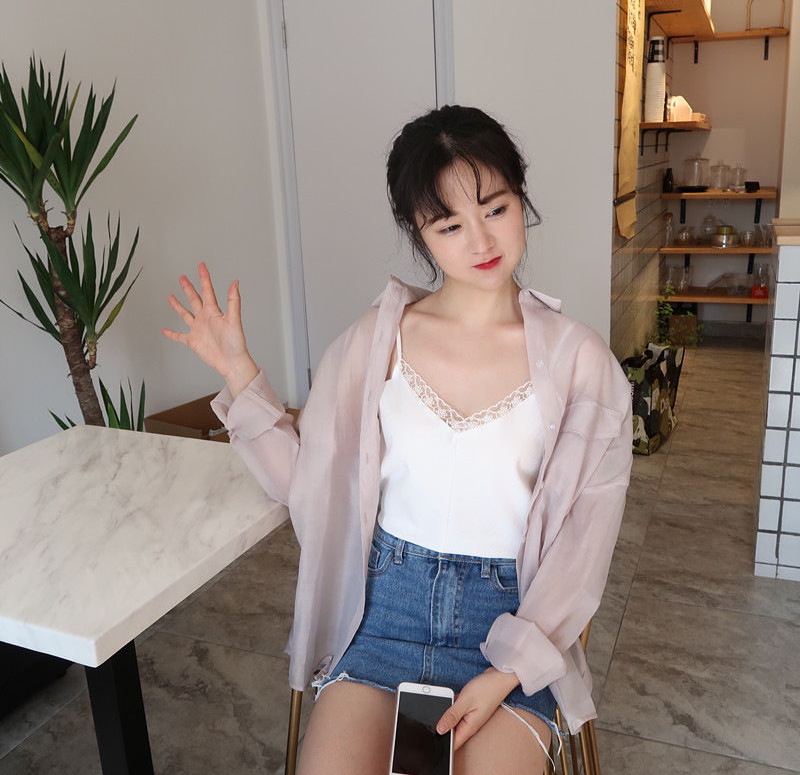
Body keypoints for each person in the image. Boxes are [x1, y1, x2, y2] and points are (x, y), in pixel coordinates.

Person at [163, 105, 633, 774]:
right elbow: (309, 487)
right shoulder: (374, 343)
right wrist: (239, 372)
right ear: (419, 231)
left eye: (495, 209)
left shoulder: (582, 362)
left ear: (520, 199)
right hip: (383, 615)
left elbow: (584, 545)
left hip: (509, 624)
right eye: (449, 225)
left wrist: (509, 672)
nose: (480, 240)